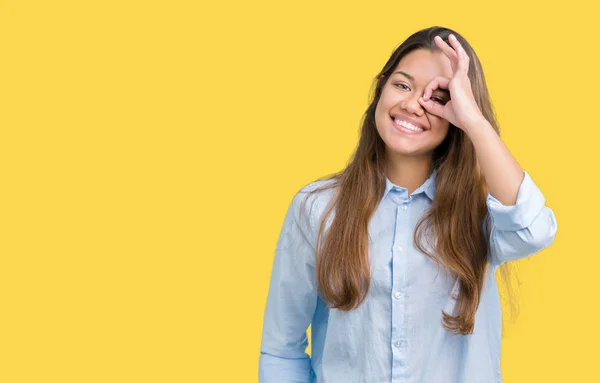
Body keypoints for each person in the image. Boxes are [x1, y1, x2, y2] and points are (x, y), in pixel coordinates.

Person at [258, 26, 558, 383]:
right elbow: (281, 349)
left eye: (439, 96)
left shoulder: (481, 211)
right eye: (402, 85)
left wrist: (474, 121)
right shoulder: (317, 208)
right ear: (380, 90)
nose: (413, 104)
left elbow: (534, 230)